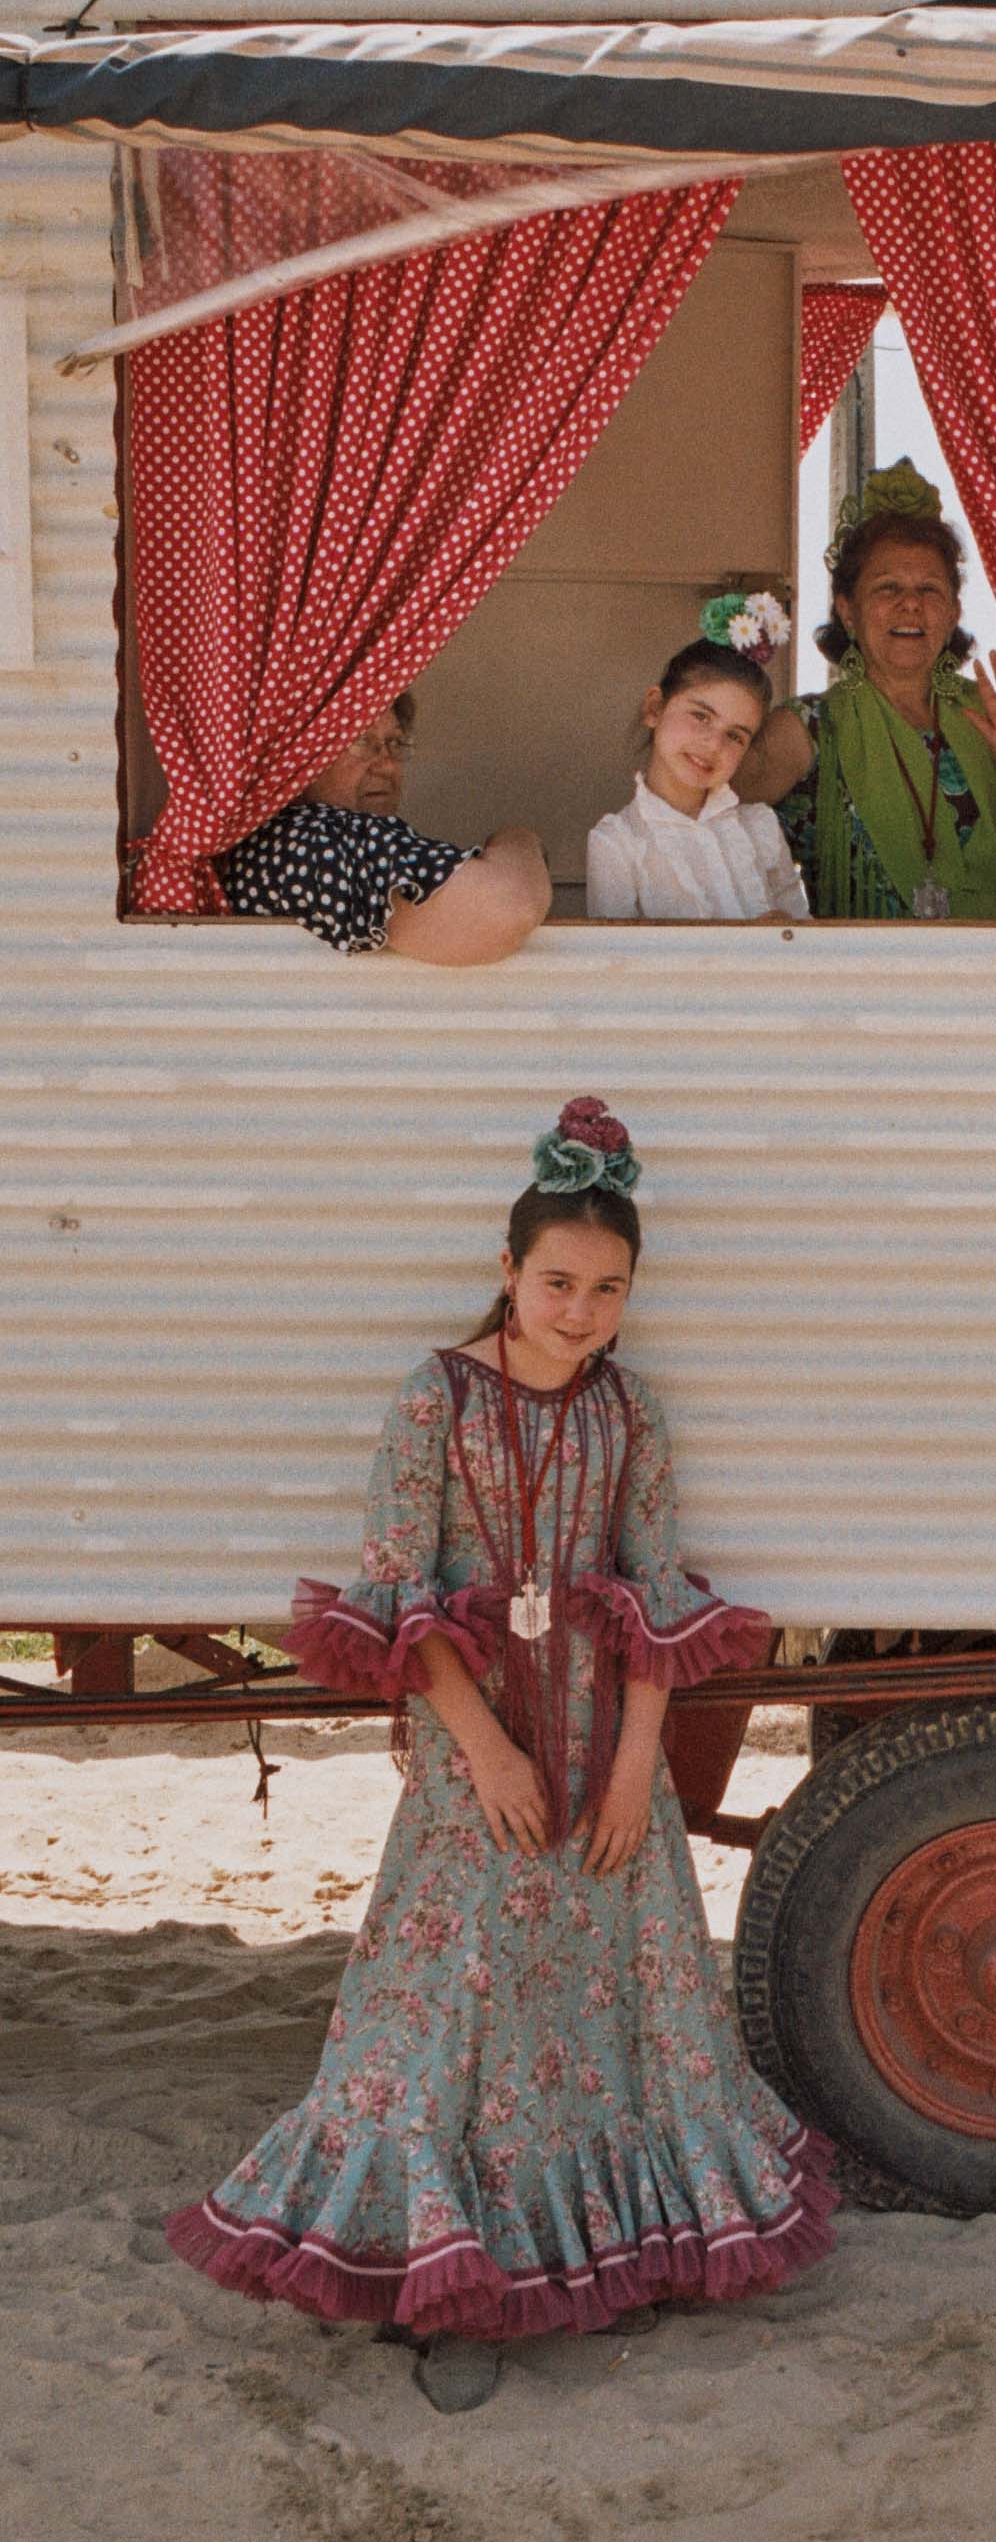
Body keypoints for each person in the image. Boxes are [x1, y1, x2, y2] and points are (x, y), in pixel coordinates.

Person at [166, 1097, 835, 2410]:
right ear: (507, 1269)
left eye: (607, 1287)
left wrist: (643, 1758)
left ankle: (597, 2250)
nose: (579, 1309)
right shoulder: (435, 1399)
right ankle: (447, 2265)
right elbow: (396, 1589)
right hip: (475, 1734)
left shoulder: (630, 1416)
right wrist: (483, 1750)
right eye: (556, 1280)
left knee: (610, 1982)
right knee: (461, 1989)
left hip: (603, 1741)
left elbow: (653, 1586)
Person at [751, 459, 996, 919]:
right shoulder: (807, 729)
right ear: (847, 611)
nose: (910, 604)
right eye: (887, 588)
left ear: (952, 613)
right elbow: (701, 813)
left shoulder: (995, 716)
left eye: (930, 590)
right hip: (865, 985)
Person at [215, 688, 553, 965]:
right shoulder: (317, 836)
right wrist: (518, 840)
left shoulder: (273, 838)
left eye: (394, 743)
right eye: (360, 741)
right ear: (301, 754)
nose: (386, 765)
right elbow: (506, 908)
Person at [586, 627, 809, 924]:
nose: (714, 745)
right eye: (701, 716)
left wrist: (787, 930)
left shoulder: (760, 827)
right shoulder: (618, 843)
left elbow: (805, 937)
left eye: (735, 736)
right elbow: (616, 962)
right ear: (655, 708)